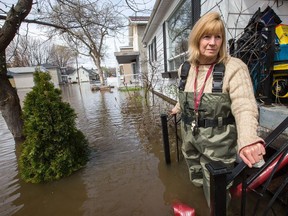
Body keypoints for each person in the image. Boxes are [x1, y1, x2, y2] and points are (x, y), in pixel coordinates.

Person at [170, 11, 266, 208]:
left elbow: (244, 106)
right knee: (195, 175)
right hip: (189, 135)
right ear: (197, 39)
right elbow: (186, 93)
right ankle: (199, 201)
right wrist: (178, 106)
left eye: (218, 37)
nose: (213, 43)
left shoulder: (234, 68)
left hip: (218, 142)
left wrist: (247, 139)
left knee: (216, 189)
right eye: (207, 36)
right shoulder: (185, 69)